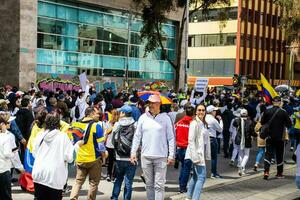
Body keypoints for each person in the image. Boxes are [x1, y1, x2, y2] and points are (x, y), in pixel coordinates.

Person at [130, 95, 175, 200]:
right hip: (145, 156)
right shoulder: (143, 117)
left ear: (159, 104)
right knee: (149, 185)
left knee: (159, 185)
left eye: (153, 103)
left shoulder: (166, 118)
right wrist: (133, 153)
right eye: (149, 103)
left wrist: (171, 155)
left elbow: (171, 138)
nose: (150, 105)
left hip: (161, 157)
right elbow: (137, 136)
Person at [32, 112, 75, 200]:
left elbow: (34, 153)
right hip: (55, 176)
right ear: (59, 122)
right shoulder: (63, 137)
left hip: (39, 173)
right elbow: (70, 158)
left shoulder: (40, 135)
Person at [69, 106, 108, 200]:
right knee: (93, 183)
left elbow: (71, 140)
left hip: (80, 158)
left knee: (78, 182)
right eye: (96, 113)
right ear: (90, 114)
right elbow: (101, 145)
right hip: (94, 159)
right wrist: (104, 156)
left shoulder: (74, 124)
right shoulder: (96, 126)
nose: (99, 115)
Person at [261, 96, 292, 179]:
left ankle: (266, 172)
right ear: (279, 102)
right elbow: (289, 125)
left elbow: (262, 122)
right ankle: (279, 173)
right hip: (280, 138)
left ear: (272, 102)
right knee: (279, 155)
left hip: (269, 137)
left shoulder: (267, 111)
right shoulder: (283, 112)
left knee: (268, 154)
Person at [111, 105, 136, 200]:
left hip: (119, 158)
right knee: (128, 182)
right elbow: (137, 141)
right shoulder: (135, 124)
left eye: (121, 112)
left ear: (124, 113)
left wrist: (117, 149)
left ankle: (114, 198)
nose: (119, 113)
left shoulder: (117, 124)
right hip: (131, 158)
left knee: (118, 179)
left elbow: (113, 141)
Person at [185, 104, 210, 200]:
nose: (201, 112)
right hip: (196, 155)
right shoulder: (194, 123)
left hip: (201, 154)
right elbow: (190, 141)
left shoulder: (203, 123)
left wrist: (206, 155)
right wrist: (195, 157)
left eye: (203, 110)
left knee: (195, 177)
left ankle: (188, 197)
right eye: (199, 110)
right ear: (196, 111)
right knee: (201, 178)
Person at [0, 112, 20, 200]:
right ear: (2, 124)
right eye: (7, 123)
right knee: (6, 194)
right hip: (3, 168)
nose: (10, 124)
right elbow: (7, 153)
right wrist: (13, 153)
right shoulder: (6, 137)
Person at [175, 106, 194, 193]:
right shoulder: (193, 124)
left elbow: (174, 133)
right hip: (188, 149)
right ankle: (182, 187)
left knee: (183, 167)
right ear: (193, 114)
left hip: (179, 148)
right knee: (186, 168)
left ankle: (181, 185)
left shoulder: (178, 123)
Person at [233, 109, 256, 176]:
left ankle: (241, 169)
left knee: (240, 154)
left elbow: (234, 124)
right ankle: (242, 166)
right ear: (247, 114)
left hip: (239, 140)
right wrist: (256, 135)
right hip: (247, 140)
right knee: (246, 155)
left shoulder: (237, 120)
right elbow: (252, 132)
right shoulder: (250, 122)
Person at [205, 105, 223, 178]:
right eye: (214, 111)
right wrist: (221, 120)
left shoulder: (204, 118)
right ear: (212, 112)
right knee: (214, 157)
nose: (215, 112)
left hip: (204, 138)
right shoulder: (213, 120)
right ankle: (213, 173)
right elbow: (220, 129)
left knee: (203, 156)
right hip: (212, 138)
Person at [105, 108, 119, 182]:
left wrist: (104, 142)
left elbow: (105, 134)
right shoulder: (119, 124)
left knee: (110, 161)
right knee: (116, 161)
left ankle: (108, 174)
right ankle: (114, 176)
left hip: (109, 144)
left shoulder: (108, 123)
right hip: (116, 145)